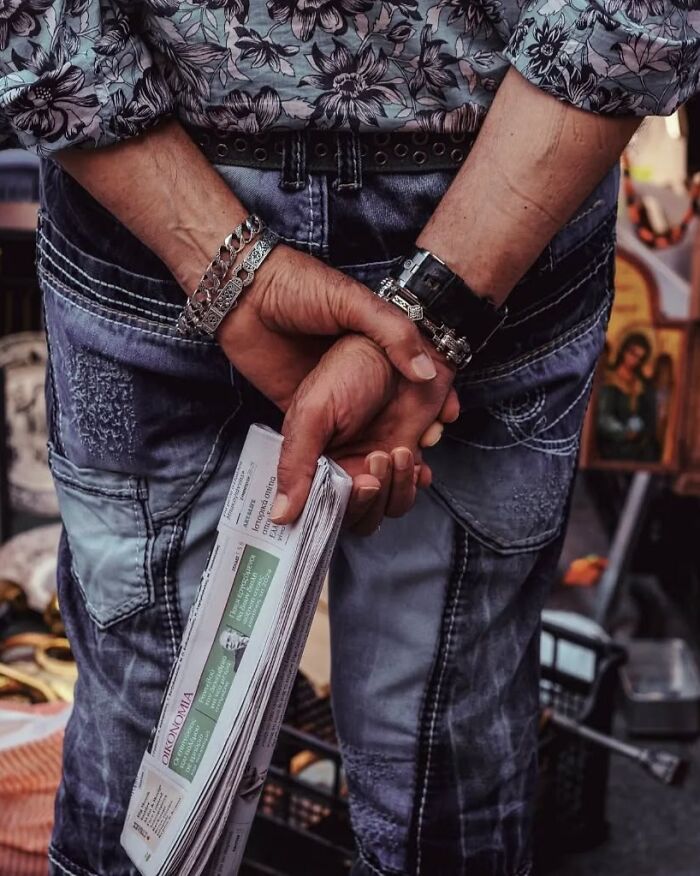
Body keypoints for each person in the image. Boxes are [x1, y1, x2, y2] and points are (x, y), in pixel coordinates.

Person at [1, 3, 697, 875]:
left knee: (150, 742)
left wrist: (226, 262)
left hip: (161, 203)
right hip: (499, 195)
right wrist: (433, 312)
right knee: (445, 746)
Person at [597, 332, 660, 462]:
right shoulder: (609, 379)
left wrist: (641, 431)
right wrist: (624, 433)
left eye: (640, 358)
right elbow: (603, 416)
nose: (635, 361)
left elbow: (648, 415)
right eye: (632, 354)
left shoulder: (641, 384)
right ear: (623, 351)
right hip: (612, 442)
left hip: (638, 442)